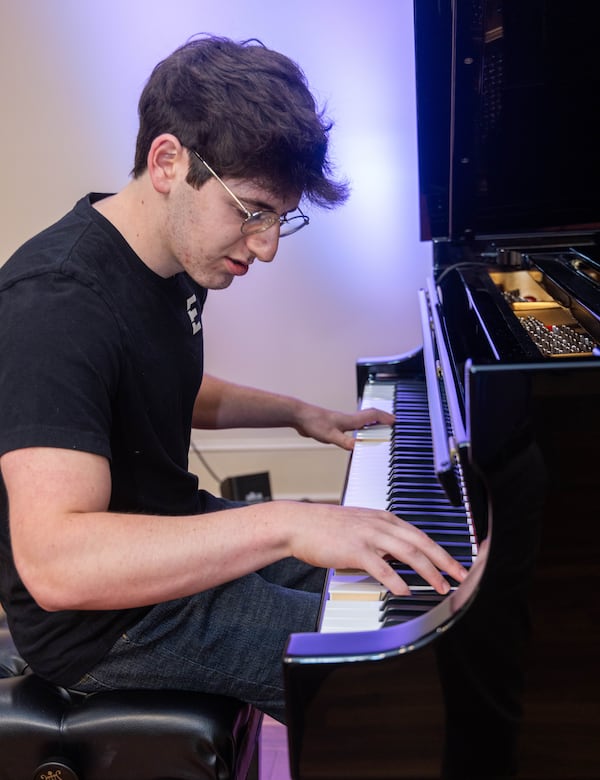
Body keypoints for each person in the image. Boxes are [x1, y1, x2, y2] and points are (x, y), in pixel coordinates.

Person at [0, 35, 466, 723]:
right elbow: (57, 562)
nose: (267, 246)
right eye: (251, 211)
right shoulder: (57, 300)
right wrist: (282, 526)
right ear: (168, 162)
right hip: (106, 623)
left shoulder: (170, 258)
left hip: (170, 533)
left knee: (398, 574)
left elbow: (151, 381)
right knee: (392, 692)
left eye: (281, 217)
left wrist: (297, 413)